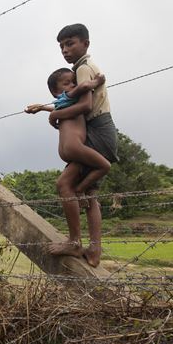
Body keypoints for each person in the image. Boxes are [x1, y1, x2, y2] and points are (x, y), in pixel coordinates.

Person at [44, 23, 119, 267]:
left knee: (65, 183)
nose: (65, 50)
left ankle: (75, 242)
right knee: (90, 193)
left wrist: (56, 116)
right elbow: (71, 100)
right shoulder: (84, 68)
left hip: (97, 129)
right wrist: (48, 109)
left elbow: (85, 106)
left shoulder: (83, 70)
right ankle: (94, 251)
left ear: (85, 43)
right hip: (102, 130)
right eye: (62, 46)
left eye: (70, 43)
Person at [25, 68, 111, 199]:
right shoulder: (71, 96)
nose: (73, 85)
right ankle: (80, 189)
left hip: (64, 150)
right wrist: (98, 81)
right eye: (67, 83)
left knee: (77, 173)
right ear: (55, 91)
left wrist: (42, 108)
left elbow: (57, 110)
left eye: (73, 82)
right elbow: (86, 85)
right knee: (105, 166)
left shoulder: (63, 103)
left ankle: (83, 188)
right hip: (74, 146)